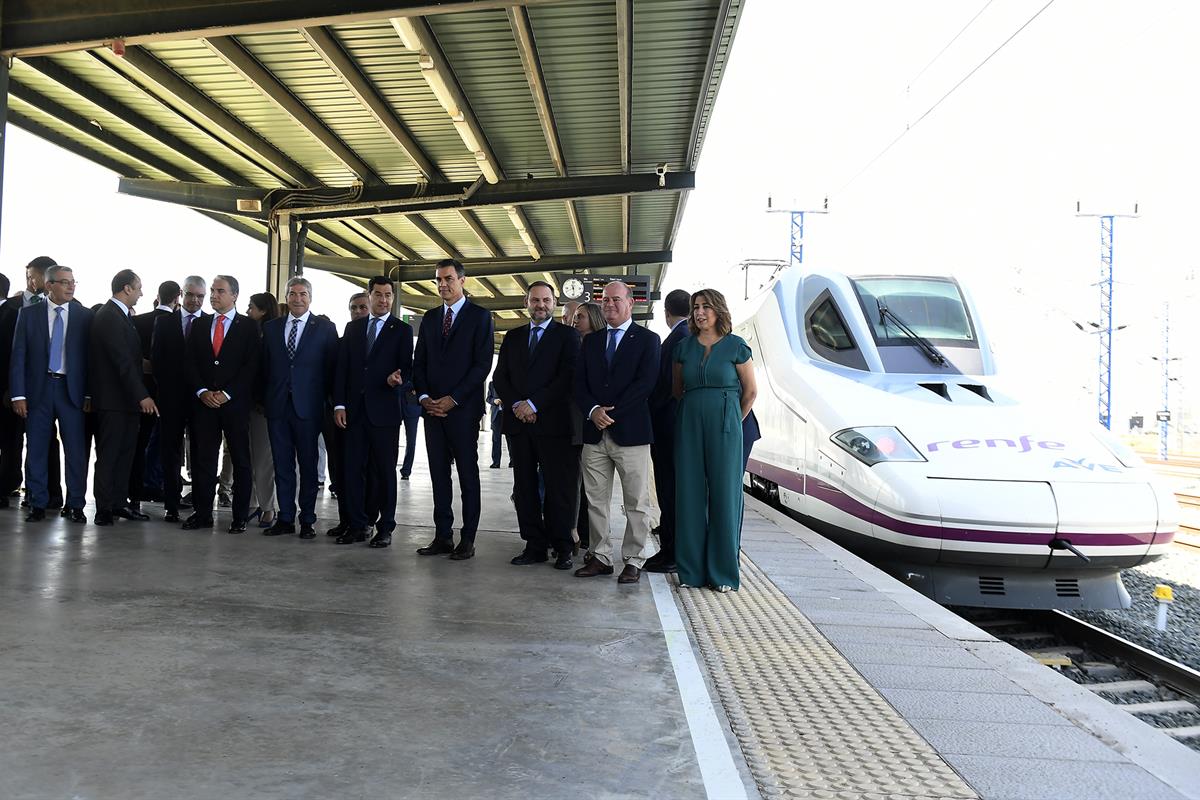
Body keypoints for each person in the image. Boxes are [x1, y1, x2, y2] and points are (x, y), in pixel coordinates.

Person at [573, 280, 661, 584]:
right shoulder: (592, 342)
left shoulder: (648, 340)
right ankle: (600, 557)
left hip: (632, 433)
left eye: (615, 299)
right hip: (594, 433)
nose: (609, 305)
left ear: (631, 303)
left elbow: (645, 384)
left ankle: (634, 559)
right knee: (595, 500)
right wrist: (592, 411)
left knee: (636, 501)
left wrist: (610, 414)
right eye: (604, 300)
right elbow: (579, 384)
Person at [493, 281, 582, 571]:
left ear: (554, 302)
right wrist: (518, 404)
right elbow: (500, 377)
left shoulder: (568, 336)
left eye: (545, 300)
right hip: (519, 425)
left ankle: (563, 546)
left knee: (560, 488)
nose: (540, 305)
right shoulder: (513, 336)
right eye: (535, 300)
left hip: (555, 425)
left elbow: (567, 377)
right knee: (525, 487)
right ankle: (534, 545)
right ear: (526, 302)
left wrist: (534, 404)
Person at [673, 288, 757, 592]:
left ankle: (723, 573)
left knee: (725, 493)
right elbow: (677, 389)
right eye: (696, 307)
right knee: (690, 492)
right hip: (689, 422)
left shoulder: (737, 346)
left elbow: (750, 392)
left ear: (719, 310)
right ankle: (691, 572)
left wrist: (732, 419)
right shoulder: (683, 347)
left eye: (706, 306)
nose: (700, 312)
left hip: (727, 425)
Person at [413, 258, 494, 560]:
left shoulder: (480, 317)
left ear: (462, 280)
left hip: (462, 411)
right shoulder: (430, 317)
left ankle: (468, 538)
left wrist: (453, 398)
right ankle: (442, 536)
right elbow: (418, 362)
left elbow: (481, 365)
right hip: (432, 410)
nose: (442, 284)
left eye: (448, 278)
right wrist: (424, 397)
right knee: (438, 475)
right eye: (438, 280)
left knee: (467, 475)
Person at [332, 276, 413, 548]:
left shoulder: (401, 330)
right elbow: (342, 370)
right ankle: (357, 525)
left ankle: (385, 527)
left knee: (385, 472)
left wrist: (397, 381)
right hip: (353, 412)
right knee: (352, 470)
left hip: (385, 412)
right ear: (369, 296)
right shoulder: (353, 329)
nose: (383, 300)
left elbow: (407, 369)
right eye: (378, 294)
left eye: (388, 295)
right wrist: (340, 405)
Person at [9, 265, 92, 523]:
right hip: (38, 391)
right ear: (49, 285)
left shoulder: (84, 316)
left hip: (73, 392)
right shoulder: (28, 314)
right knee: (35, 449)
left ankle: (76, 504)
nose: (71, 286)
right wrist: (17, 395)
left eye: (73, 282)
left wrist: (89, 394)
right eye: (64, 282)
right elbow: (18, 356)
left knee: (76, 452)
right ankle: (37, 503)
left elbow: (92, 361)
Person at [262, 278, 338, 540]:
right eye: (292, 294)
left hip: (309, 409)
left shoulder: (325, 329)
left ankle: (307, 519)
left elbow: (332, 371)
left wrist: (328, 403)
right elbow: (264, 368)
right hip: (278, 408)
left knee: (308, 465)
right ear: (286, 297)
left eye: (303, 294)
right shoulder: (271, 328)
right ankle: (285, 517)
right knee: (282, 465)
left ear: (311, 297)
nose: (297, 299)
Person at [183, 275, 259, 533]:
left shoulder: (248, 327)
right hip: (204, 404)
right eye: (213, 291)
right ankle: (202, 513)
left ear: (234, 295)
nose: (214, 295)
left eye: (220, 291)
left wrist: (228, 393)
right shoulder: (201, 324)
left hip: (234, 405)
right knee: (203, 460)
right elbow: (190, 362)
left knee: (240, 459)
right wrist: (202, 390)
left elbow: (252, 366)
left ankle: (239, 517)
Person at [89, 269, 158, 526]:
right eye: (138, 287)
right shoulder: (109, 316)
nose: (141, 292)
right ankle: (104, 509)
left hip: (125, 402)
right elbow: (122, 363)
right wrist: (143, 396)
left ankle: (119, 503)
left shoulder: (122, 316)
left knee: (125, 454)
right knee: (109, 456)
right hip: (114, 402)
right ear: (126, 288)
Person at [0, 256, 63, 509]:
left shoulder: (68, 307)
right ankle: (6, 486)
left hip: (47, 389)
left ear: (46, 278)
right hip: (12, 390)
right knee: (10, 440)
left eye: (32, 276)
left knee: (47, 440)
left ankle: (51, 494)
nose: (28, 281)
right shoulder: (10, 309)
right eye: (27, 276)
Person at [644, 288, 692, 574]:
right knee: (670, 487)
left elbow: (669, 389)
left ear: (666, 313)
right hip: (671, 426)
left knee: (670, 487)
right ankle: (670, 542)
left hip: (669, 426)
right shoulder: (683, 336)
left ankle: (672, 551)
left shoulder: (679, 339)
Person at [152, 276, 207, 522]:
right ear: (180, 295)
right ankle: (171, 504)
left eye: (200, 296)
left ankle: (200, 504)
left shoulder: (211, 323)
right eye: (190, 295)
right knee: (170, 452)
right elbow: (157, 361)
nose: (195, 300)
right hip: (171, 399)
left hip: (201, 401)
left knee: (201, 452)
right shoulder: (164, 323)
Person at [129, 280, 179, 515]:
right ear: (177, 297)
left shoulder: (138, 321)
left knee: (139, 444)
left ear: (158, 296)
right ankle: (163, 487)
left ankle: (136, 493)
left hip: (141, 392)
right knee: (167, 445)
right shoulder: (180, 323)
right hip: (170, 394)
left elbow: (132, 358)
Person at [324, 292, 369, 537]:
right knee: (340, 470)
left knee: (363, 472)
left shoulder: (377, 341)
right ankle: (346, 519)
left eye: (363, 307)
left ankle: (362, 521)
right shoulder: (341, 343)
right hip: (341, 417)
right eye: (353, 307)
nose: (358, 311)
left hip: (368, 419)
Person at [570, 303, 605, 548]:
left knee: (589, 486)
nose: (574, 321)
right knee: (573, 482)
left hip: (589, 422)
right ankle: (575, 531)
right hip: (572, 421)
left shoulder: (600, 347)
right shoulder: (572, 344)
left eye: (579, 317)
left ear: (593, 319)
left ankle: (585, 533)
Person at [245, 292, 281, 529]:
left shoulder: (271, 336)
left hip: (262, 406)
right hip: (245, 405)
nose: (248, 311)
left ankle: (269, 508)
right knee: (248, 458)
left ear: (263, 310)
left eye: (251, 307)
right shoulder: (252, 334)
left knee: (263, 461)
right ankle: (252, 503)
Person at [486, 380, 504, 468]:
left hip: (507, 414)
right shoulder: (492, 384)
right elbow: (488, 398)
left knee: (510, 439)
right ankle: (496, 462)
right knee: (496, 439)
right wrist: (494, 401)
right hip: (496, 415)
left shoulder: (511, 381)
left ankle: (513, 461)